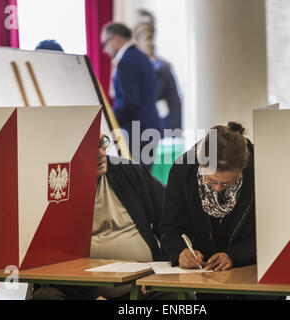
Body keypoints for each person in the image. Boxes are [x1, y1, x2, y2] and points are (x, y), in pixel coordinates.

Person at [32, 135, 170, 300]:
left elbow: (171, 218)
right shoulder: (57, 188)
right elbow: (48, 257)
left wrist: (161, 269)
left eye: (102, 144)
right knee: (45, 297)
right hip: (82, 291)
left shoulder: (128, 171)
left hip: (141, 288)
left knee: (179, 297)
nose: (101, 153)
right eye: (91, 147)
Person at [160, 122, 284, 300]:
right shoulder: (183, 170)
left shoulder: (263, 168)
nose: (218, 188)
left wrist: (235, 255)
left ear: (243, 169)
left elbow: (276, 233)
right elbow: (169, 229)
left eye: (227, 183)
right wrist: (180, 252)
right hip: (209, 276)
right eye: (210, 180)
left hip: (256, 275)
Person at [101, 22, 162, 168]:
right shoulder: (142, 57)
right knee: (143, 179)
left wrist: (109, 122)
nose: (105, 50)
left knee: (135, 182)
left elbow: (130, 101)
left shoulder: (126, 61)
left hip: (137, 132)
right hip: (149, 127)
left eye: (105, 43)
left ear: (115, 39)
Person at [133, 10, 183, 134]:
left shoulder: (160, 67)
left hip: (166, 128)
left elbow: (150, 95)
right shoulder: (153, 65)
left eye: (148, 37)